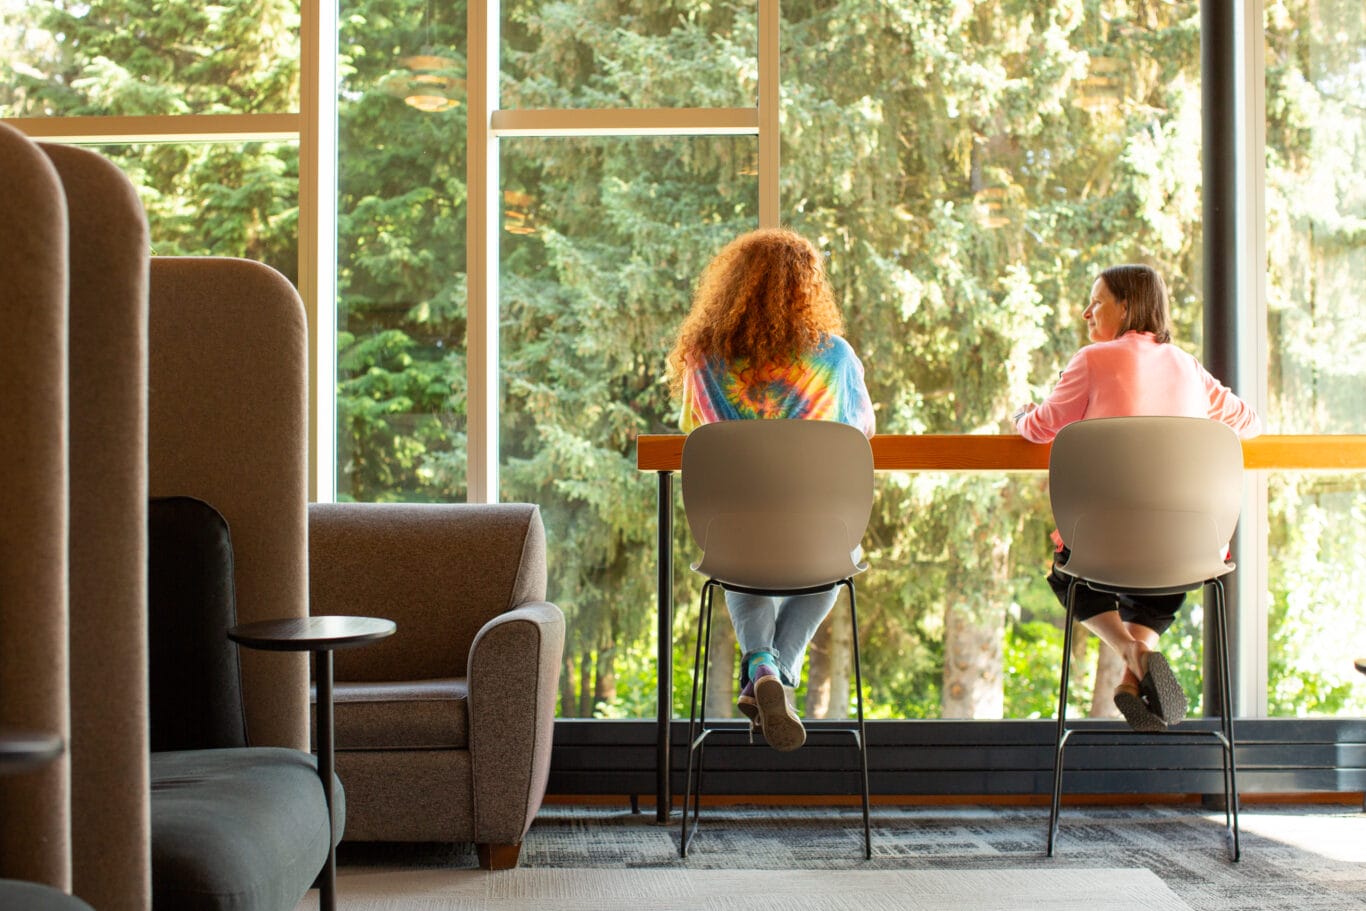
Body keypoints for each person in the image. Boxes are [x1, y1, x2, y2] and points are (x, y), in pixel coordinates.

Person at [1015, 263, 1261, 732]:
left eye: (1098, 301)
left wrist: (1019, 416)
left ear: (1127, 307)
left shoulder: (1091, 360)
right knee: (1160, 587)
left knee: (1067, 572)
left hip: (1100, 546)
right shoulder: (1188, 366)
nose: (1087, 312)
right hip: (1187, 549)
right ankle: (1132, 679)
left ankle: (1134, 654)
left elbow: (1043, 426)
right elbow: (1247, 422)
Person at [667, 227, 876, 752]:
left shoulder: (702, 360)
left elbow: (696, 436)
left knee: (736, 549)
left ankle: (761, 665)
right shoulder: (835, 358)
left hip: (734, 531)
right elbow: (860, 431)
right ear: (808, 289)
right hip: (814, 532)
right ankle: (777, 671)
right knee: (839, 555)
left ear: (731, 285)